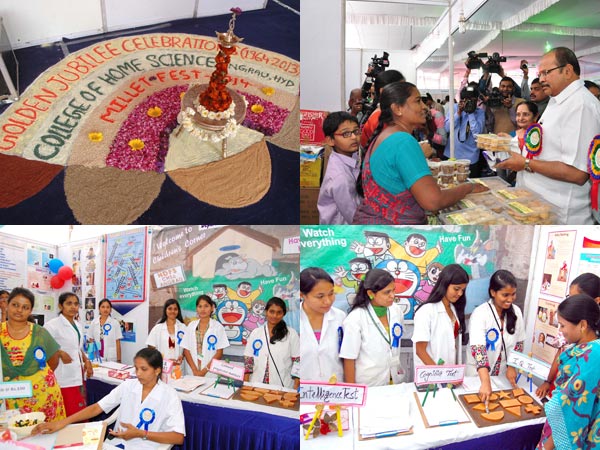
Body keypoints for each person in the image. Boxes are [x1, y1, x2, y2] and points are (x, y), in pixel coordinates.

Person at [352, 81, 488, 224]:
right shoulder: (403, 141)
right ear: (397, 109)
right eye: (418, 101)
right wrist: (468, 187)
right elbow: (433, 201)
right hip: (395, 232)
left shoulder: (386, 135)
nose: (424, 107)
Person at [497, 47, 600, 224]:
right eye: (540, 74)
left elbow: (578, 173)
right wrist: (514, 143)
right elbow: (550, 147)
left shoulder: (581, 105)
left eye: (546, 72)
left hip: (561, 217)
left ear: (567, 71)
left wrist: (526, 163)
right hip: (540, 208)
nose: (542, 79)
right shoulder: (558, 100)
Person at [32, 348, 185, 449]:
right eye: (136, 368)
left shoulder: (169, 395)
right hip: (116, 444)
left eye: (144, 369)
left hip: (147, 446)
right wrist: (61, 423)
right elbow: (97, 407)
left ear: (157, 370)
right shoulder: (129, 385)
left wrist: (140, 434)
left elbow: (178, 437)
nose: (138, 373)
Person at [536, 295, 600, 450]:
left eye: (563, 325)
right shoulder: (585, 348)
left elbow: (572, 410)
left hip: (567, 436)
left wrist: (546, 447)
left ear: (582, 325)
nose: (560, 330)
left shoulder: (593, 356)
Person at [0, 288, 66, 421]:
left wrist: (36, 377)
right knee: (15, 431)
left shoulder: (40, 332)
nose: (19, 310)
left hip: (43, 395)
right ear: (7, 305)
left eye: (25, 307)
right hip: (10, 397)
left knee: (46, 432)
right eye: (15, 305)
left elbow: (53, 360)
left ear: (30, 311)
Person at [536, 272, 600, 399]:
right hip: (563, 391)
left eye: (577, 298)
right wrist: (548, 381)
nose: (572, 303)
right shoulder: (571, 326)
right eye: (569, 297)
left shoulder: (594, 351)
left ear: (596, 301)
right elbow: (560, 354)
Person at [466, 270, 525, 404]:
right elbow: (479, 350)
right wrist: (485, 382)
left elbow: (519, 343)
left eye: (513, 294)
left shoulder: (516, 312)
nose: (510, 299)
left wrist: (512, 366)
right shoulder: (480, 313)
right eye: (505, 295)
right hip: (479, 375)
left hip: (503, 374)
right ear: (493, 292)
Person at [339, 268, 404, 386]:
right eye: (387, 292)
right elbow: (349, 358)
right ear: (370, 293)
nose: (392, 295)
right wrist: (353, 390)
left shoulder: (396, 310)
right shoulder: (355, 318)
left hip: (394, 378)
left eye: (393, 290)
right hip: (369, 382)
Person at [45, 292, 93, 417]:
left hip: (78, 372)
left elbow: (78, 348)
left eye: (76, 304)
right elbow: (42, 347)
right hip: (62, 375)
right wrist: (59, 352)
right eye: (69, 303)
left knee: (80, 409)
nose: (73, 307)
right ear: (61, 306)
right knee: (68, 411)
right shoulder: (52, 325)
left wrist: (87, 361)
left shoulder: (78, 325)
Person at [412, 264, 469, 369]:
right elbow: (420, 351)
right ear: (444, 284)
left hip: (449, 371)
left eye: (463, 290)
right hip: (431, 374)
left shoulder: (453, 309)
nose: (460, 293)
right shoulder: (426, 311)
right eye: (456, 289)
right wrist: (439, 373)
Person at [299, 267, 345, 382]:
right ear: (302, 295)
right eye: (320, 296)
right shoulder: (293, 320)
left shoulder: (340, 317)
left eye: (331, 294)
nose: (328, 301)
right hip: (303, 388)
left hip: (335, 387)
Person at [244, 297, 300, 389]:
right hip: (256, 383)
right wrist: (246, 384)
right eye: (272, 311)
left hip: (282, 385)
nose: (274, 316)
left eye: (279, 312)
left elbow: (297, 361)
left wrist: (296, 386)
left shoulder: (291, 334)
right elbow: (248, 361)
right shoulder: (256, 333)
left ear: (283, 314)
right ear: (266, 312)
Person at [317, 112, 361, 224]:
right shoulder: (340, 177)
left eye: (356, 131)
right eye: (346, 134)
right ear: (330, 140)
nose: (354, 137)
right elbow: (354, 218)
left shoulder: (348, 158)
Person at [444, 83, 487, 178]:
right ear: (461, 100)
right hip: (452, 154)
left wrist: (471, 114)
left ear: (477, 100)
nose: (470, 103)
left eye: (472, 100)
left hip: (470, 158)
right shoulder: (454, 108)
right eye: (467, 100)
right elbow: (446, 128)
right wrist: (458, 113)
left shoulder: (480, 113)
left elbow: (477, 134)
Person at [182, 295, 229, 377]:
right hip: (192, 372)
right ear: (196, 309)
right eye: (200, 306)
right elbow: (186, 350)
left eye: (206, 306)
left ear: (212, 308)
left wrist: (204, 371)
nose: (203, 309)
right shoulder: (191, 326)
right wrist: (194, 370)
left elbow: (219, 353)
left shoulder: (218, 327)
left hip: (209, 373)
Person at [146, 298, 187, 370]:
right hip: (163, 366)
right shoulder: (158, 328)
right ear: (165, 310)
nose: (173, 311)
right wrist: (162, 359)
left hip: (178, 366)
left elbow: (187, 347)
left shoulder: (183, 327)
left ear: (178, 311)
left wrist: (182, 356)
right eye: (170, 309)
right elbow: (150, 347)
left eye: (175, 309)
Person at [89, 298, 123, 363]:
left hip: (111, 356)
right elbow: (91, 340)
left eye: (108, 307)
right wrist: (90, 357)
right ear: (99, 309)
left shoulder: (115, 323)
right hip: (97, 355)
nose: (105, 309)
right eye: (103, 307)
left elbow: (118, 342)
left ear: (110, 309)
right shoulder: (94, 322)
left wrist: (119, 359)